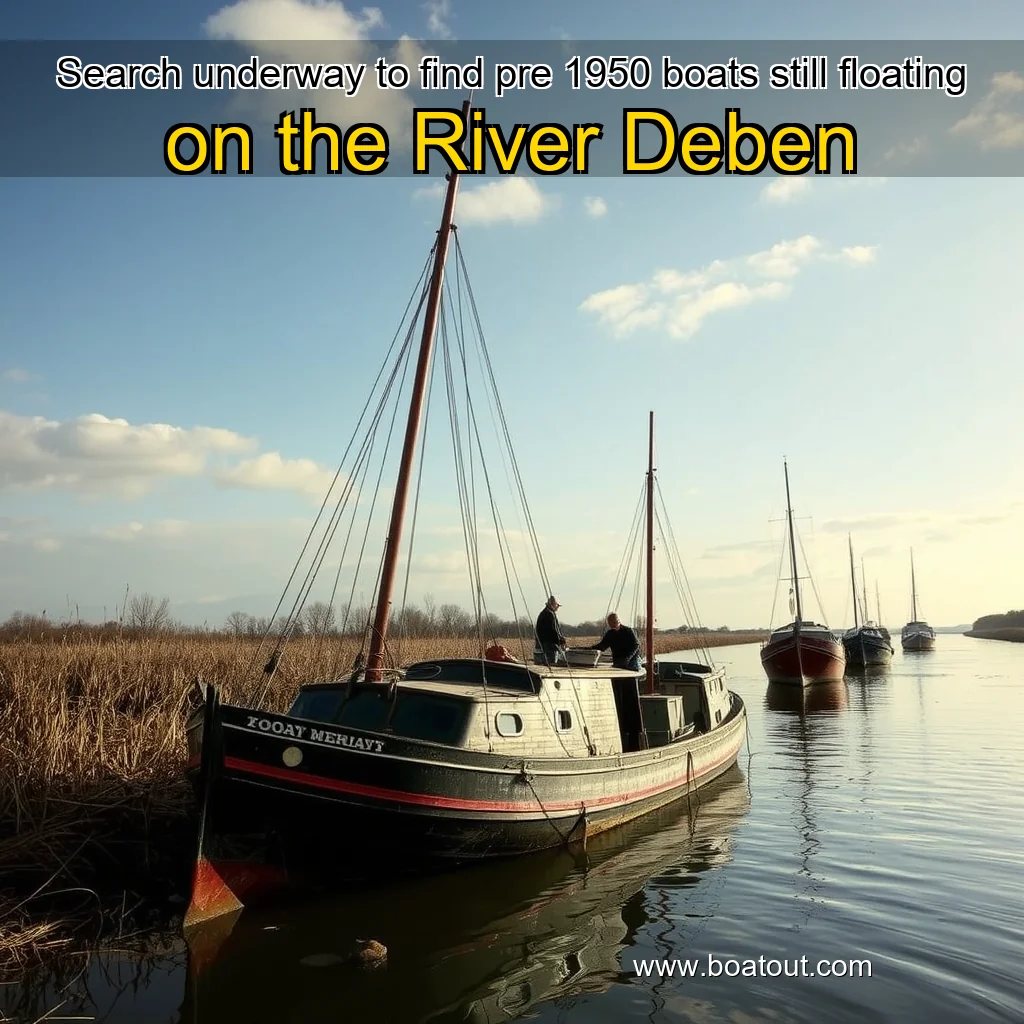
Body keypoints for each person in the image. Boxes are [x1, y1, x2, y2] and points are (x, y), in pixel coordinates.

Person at [535, 595, 567, 665]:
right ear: (553, 605)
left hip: (542, 644)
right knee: (551, 665)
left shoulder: (543, 613)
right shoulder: (549, 614)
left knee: (543, 664)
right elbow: (552, 631)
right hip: (550, 646)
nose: (558, 608)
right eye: (557, 605)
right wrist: (560, 641)